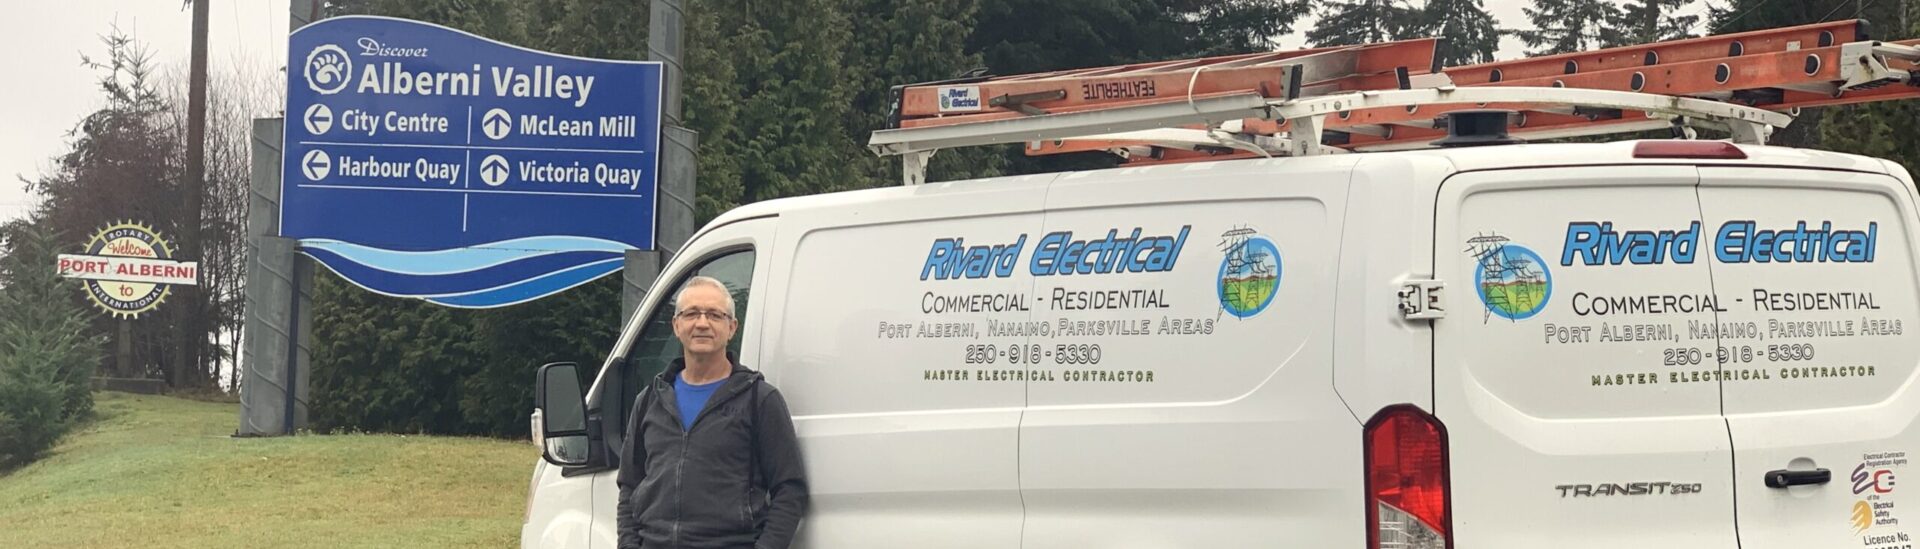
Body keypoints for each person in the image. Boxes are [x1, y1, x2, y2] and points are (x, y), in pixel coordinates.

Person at [618, 276, 807, 549]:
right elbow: (629, 486)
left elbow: (790, 489)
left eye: (715, 315)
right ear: (676, 325)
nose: (702, 323)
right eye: (692, 313)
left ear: (732, 328)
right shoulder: (649, 400)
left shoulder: (759, 399)